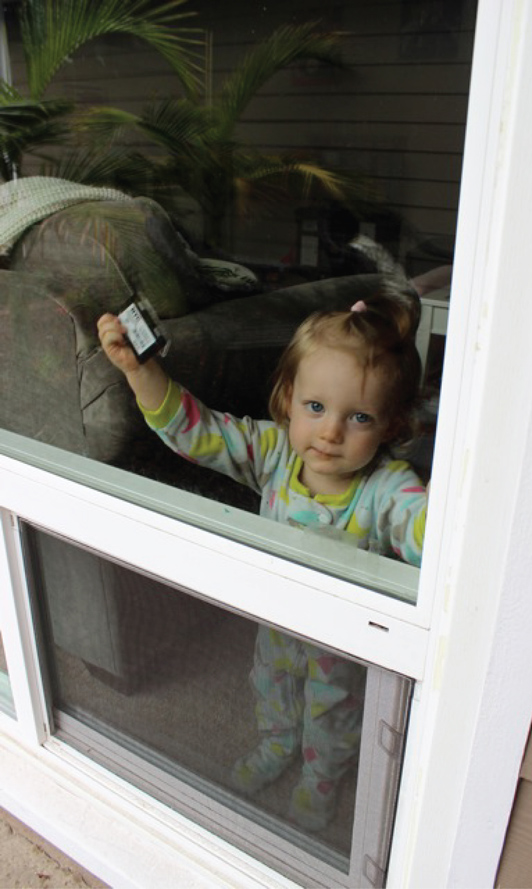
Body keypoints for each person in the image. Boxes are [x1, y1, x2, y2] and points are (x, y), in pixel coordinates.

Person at [97, 292, 428, 833]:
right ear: (289, 398)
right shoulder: (274, 452)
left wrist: (441, 517)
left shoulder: (386, 487)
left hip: (340, 642)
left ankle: (321, 778)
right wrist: (141, 372)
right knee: (270, 684)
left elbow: (423, 531)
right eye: (315, 407)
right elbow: (200, 432)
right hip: (275, 620)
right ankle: (277, 744)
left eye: (359, 417)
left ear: (391, 426)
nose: (330, 432)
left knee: (332, 710)